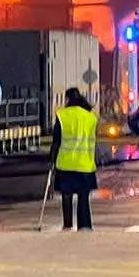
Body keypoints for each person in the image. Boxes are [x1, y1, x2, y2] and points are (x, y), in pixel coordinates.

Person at [50, 88, 99, 231]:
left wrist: (52, 158)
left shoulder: (62, 116)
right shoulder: (91, 117)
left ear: (67, 99)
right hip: (85, 164)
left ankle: (67, 225)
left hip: (66, 163)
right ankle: (85, 226)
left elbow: (56, 140)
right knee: (83, 197)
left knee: (66, 196)